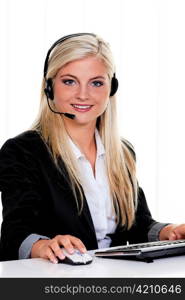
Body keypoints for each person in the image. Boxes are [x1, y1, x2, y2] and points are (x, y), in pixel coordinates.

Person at [0, 33, 185, 263]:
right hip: (56, 280)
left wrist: (169, 231)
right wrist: (43, 245)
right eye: (69, 81)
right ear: (49, 87)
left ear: (112, 88)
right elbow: (14, 233)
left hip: (115, 278)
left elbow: (138, 225)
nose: (83, 94)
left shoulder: (122, 153)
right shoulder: (22, 152)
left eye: (97, 83)